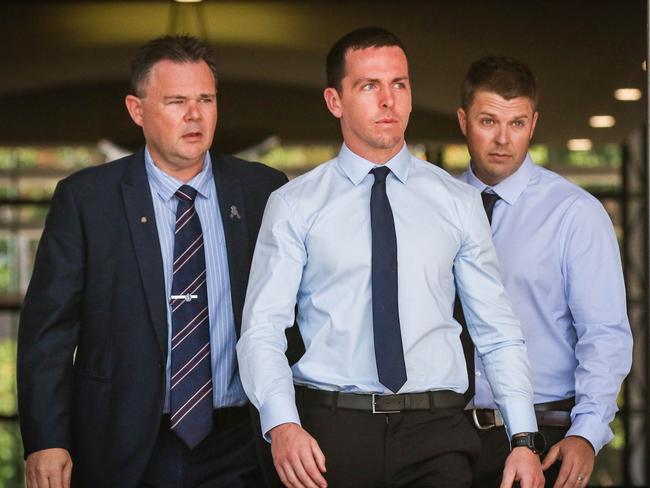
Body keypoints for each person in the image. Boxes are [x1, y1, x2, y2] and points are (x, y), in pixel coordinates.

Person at [237, 27, 545, 488]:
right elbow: (261, 330)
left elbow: (497, 330)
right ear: (334, 101)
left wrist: (524, 438)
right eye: (369, 86)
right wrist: (282, 424)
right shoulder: (295, 204)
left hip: (435, 432)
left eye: (399, 84)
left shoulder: (455, 202)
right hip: (329, 434)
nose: (389, 100)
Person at [17, 35, 287, 487]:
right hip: (121, 443)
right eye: (176, 101)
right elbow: (49, 333)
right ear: (137, 110)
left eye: (205, 99)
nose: (195, 114)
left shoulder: (263, 191)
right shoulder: (87, 200)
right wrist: (46, 439)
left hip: (240, 442)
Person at [457, 55, 633, 488]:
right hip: (446, 437)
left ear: (533, 124)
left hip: (545, 433)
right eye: (488, 121)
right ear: (464, 121)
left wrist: (586, 434)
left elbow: (605, 334)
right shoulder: (437, 206)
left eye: (517, 123)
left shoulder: (574, 213)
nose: (502, 139)